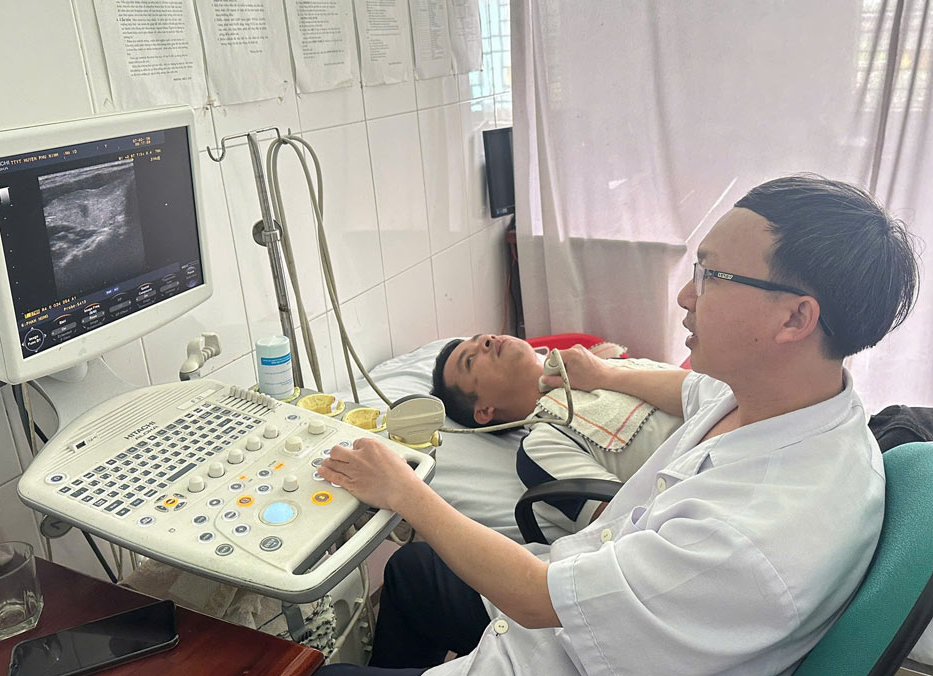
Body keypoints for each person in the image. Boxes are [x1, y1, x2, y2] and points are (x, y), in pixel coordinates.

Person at [317, 174, 920, 675]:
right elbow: (687, 387)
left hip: (562, 643)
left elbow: (533, 600)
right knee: (415, 573)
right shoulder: (791, 398)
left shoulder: (748, 537)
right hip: (578, 586)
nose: (686, 294)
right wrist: (605, 376)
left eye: (711, 275)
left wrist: (404, 490)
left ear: (795, 318)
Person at [432, 335, 684, 533]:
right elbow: (629, 525)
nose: (488, 340)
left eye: (484, 337)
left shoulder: (611, 365)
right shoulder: (542, 448)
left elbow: (711, 391)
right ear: (484, 411)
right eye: (470, 360)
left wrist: (606, 375)